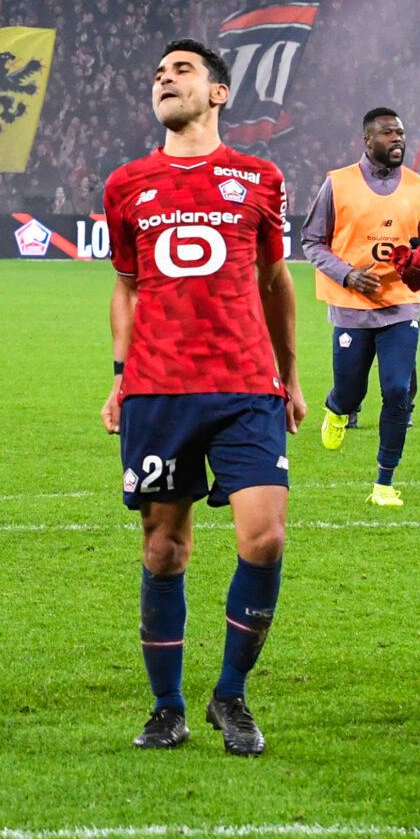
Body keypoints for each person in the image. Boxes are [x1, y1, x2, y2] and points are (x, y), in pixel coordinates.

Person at [99, 39, 303, 757]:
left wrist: (292, 376)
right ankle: (167, 706)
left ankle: (231, 695)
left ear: (219, 93)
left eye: (181, 71)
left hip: (246, 383)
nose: (164, 79)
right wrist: (122, 373)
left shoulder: (259, 177)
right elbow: (125, 286)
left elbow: (276, 281)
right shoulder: (127, 184)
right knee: (164, 550)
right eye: (158, 72)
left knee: (265, 536)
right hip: (159, 387)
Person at [301, 108, 420, 508]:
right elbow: (311, 241)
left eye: (400, 133)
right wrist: (346, 275)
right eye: (387, 134)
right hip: (351, 306)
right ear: (367, 140)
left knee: (398, 390)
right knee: (350, 391)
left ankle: (384, 482)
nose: (397, 139)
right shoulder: (337, 184)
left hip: (401, 305)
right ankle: (338, 409)